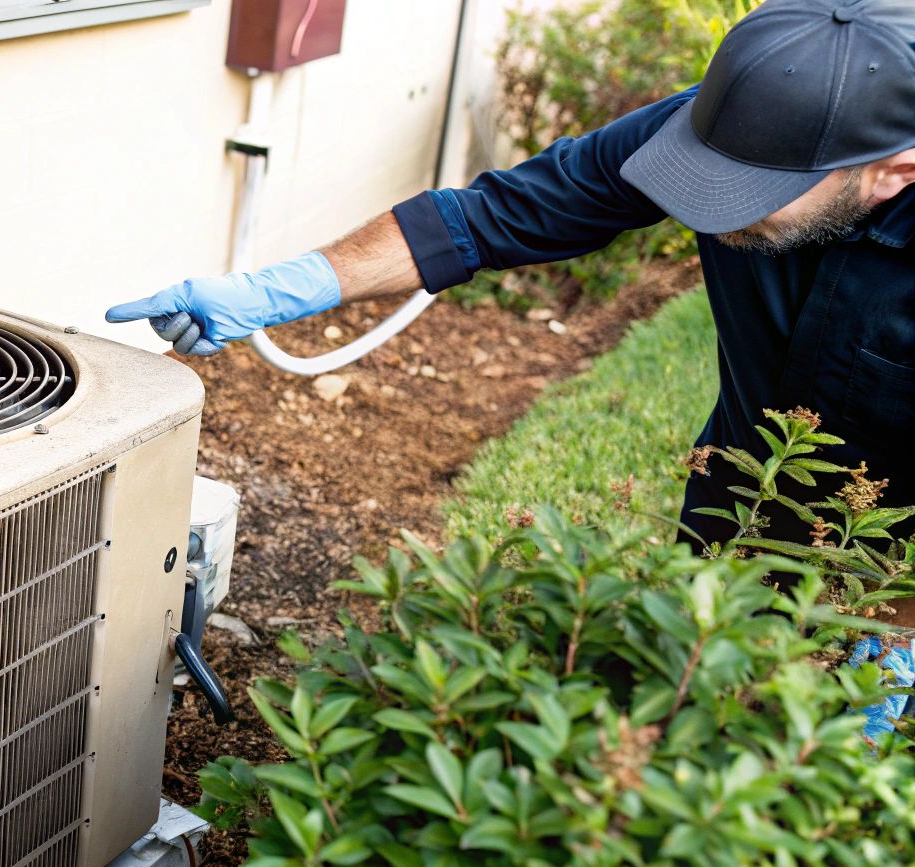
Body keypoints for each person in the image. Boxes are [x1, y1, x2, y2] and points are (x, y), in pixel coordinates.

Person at [107, 0, 915, 549]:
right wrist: (281, 288)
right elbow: (495, 215)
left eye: (755, 195)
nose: (715, 207)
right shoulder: (745, 120)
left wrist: (893, 620)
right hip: (734, 516)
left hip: (889, 565)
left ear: (893, 172)